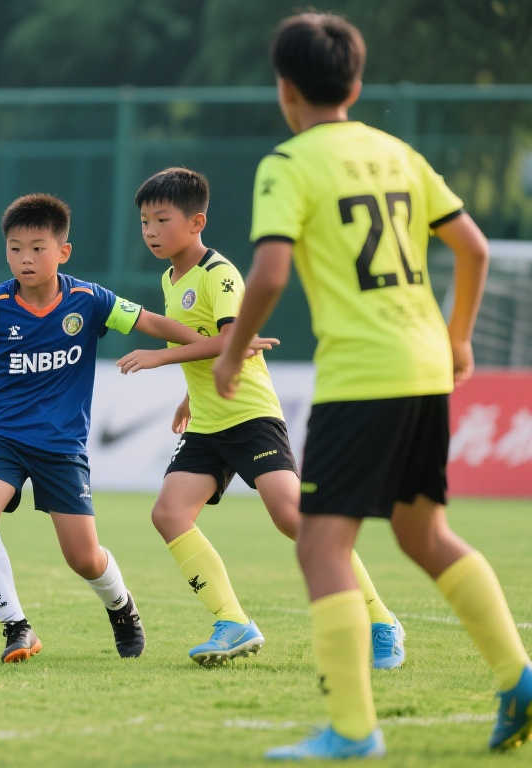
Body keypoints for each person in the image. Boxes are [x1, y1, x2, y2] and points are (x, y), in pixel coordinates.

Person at [212, 13, 532, 760]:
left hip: (362, 372)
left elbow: (269, 272)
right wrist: (459, 335)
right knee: (421, 531)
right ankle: (517, 673)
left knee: (322, 547)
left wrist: (232, 353)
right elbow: (472, 245)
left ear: (286, 89)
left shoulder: (290, 162)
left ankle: (353, 729)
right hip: (425, 361)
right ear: (357, 84)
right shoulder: (398, 152)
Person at [0, 193, 205, 663]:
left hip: (61, 447)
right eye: (15, 248)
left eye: (37, 248)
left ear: (62, 252)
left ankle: (121, 606)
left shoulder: (89, 299)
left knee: (83, 557)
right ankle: (16, 628)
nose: (25, 258)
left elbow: (150, 320)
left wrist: (220, 342)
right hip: (2, 435)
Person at [117, 167, 404, 669]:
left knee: (292, 517)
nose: (151, 232)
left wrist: (161, 358)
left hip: (250, 415)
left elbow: (233, 338)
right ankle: (232, 622)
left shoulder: (219, 273)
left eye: (161, 220)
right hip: (208, 421)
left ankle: (381, 621)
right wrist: (189, 396)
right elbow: (201, 343)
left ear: (196, 221)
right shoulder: (170, 277)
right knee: (168, 514)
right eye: (144, 222)